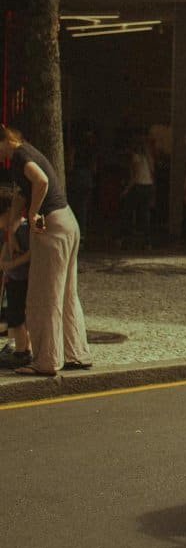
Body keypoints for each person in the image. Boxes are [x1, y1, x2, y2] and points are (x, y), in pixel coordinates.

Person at [0, 128, 92, 376]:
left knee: (43, 296)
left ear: (5, 142)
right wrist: (13, 224)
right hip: (67, 222)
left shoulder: (19, 155)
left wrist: (32, 214)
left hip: (49, 226)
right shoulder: (27, 152)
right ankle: (76, 354)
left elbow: (41, 181)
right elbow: (23, 193)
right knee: (66, 294)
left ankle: (46, 360)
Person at [0, 213, 32, 370]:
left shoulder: (23, 228)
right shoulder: (11, 229)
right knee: (15, 315)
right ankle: (23, 348)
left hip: (21, 277)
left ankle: (21, 352)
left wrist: (11, 264)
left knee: (17, 316)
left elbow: (31, 253)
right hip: (13, 277)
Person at [120, 135, 155, 249]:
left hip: (138, 186)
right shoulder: (149, 159)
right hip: (148, 186)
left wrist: (126, 190)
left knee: (127, 211)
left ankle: (123, 237)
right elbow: (152, 173)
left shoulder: (135, 157)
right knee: (145, 214)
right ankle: (147, 241)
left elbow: (135, 176)